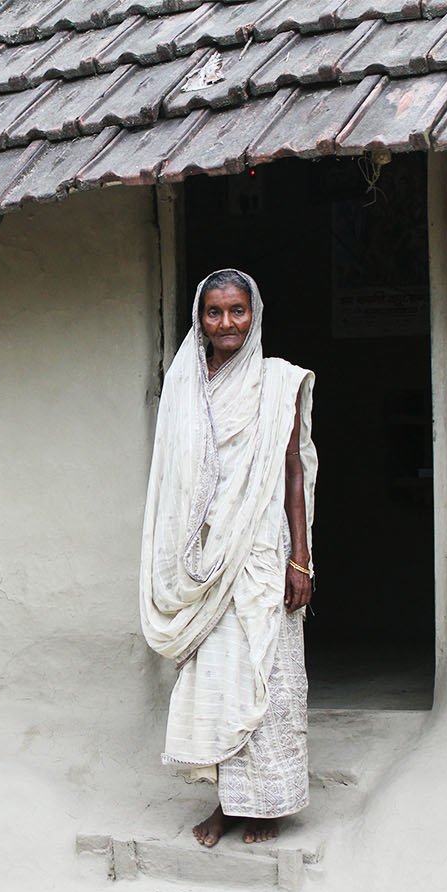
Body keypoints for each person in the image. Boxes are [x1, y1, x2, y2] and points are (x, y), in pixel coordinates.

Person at [139, 269, 316, 847]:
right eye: (214, 313)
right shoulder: (185, 386)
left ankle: (267, 806)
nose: (226, 323)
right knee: (216, 679)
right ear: (200, 319)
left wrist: (302, 558)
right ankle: (224, 805)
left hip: (264, 549)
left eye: (237, 310)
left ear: (254, 312)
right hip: (207, 554)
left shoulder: (276, 382)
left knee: (269, 672)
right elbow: (173, 477)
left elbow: (292, 467)